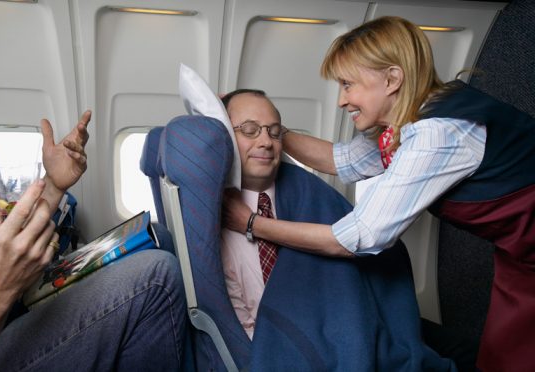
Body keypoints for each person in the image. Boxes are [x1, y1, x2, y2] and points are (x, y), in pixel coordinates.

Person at [222, 16, 535, 372]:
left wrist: (250, 223)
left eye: (348, 84)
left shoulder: (437, 135)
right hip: (521, 250)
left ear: (391, 79)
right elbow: (341, 160)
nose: (341, 100)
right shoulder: (410, 120)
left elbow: (354, 238)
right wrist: (266, 131)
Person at [0, 111, 186, 371]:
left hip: (13, 299)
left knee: (157, 236)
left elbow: (0, 225)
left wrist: (53, 185)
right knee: (157, 277)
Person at [219, 89, 285, 340]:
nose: (267, 142)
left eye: (274, 131)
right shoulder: (213, 222)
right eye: (249, 130)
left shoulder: (308, 199)